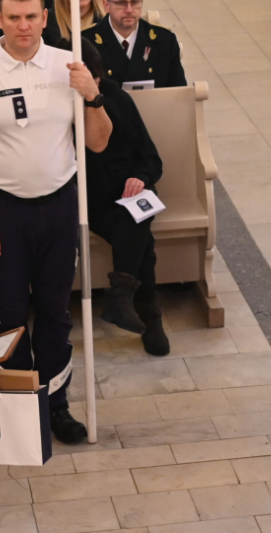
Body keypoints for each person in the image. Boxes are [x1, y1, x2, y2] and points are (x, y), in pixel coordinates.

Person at [0, 0, 113, 446]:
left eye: (32, 17)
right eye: (14, 17)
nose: (23, 26)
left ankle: (56, 403)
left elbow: (99, 141)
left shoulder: (68, 66)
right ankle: (21, 406)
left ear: (46, 16)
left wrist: (91, 95)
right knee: (11, 312)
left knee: (56, 310)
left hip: (59, 205)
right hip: (3, 212)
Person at [80, 40, 171, 356]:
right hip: (86, 200)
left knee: (139, 214)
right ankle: (147, 312)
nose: (93, 86)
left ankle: (123, 298)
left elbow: (150, 157)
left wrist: (140, 177)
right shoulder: (58, 108)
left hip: (125, 195)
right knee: (142, 239)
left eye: (95, 79)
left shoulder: (116, 97)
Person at [88, 0, 187, 88]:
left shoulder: (164, 41)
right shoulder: (86, 42)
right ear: (106, 6)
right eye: (121, 3)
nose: (129, 10)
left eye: (135, 2)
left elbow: (179, 93)